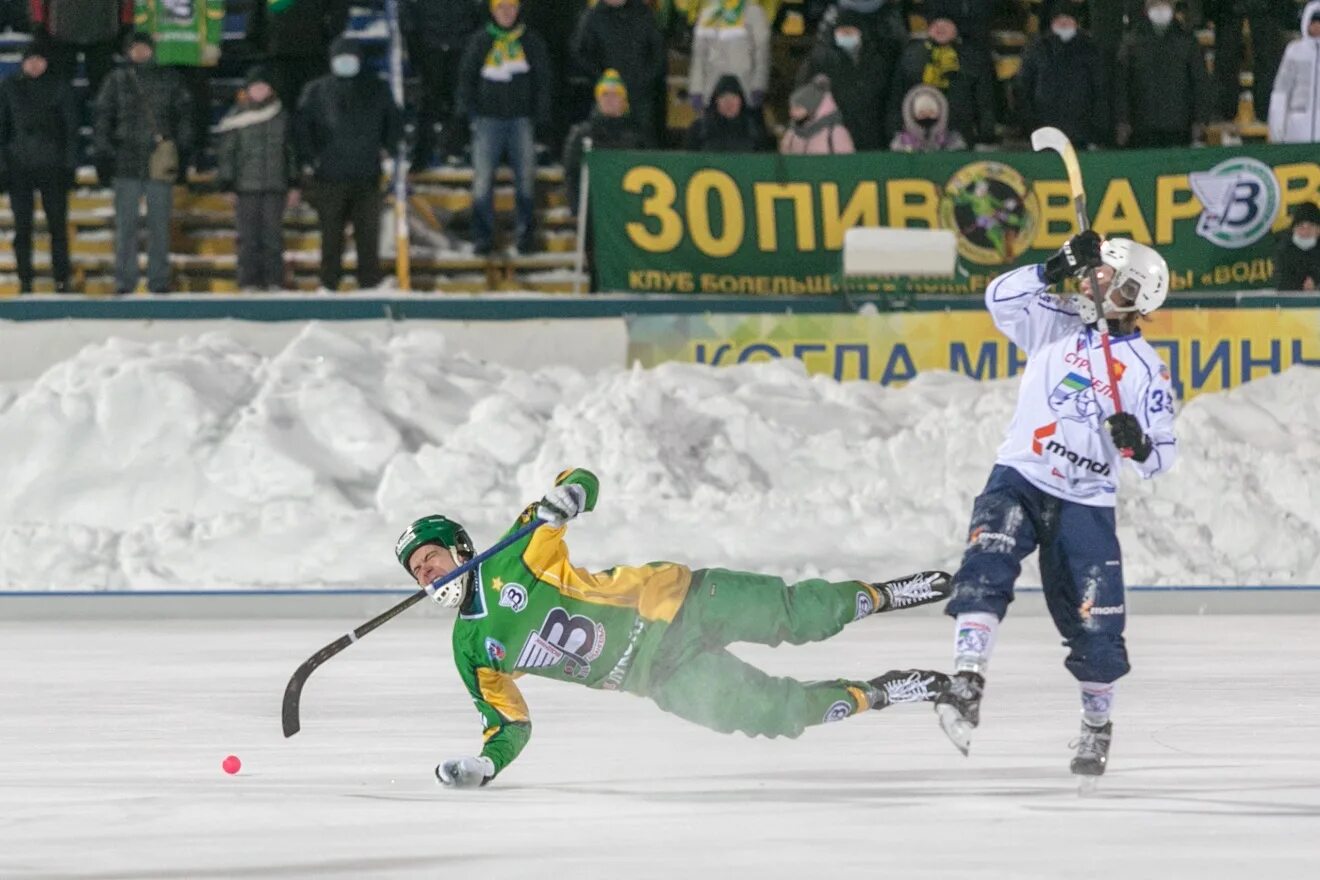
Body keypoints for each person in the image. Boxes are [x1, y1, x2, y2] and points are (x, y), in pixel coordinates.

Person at [395, 467, 955, 788]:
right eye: (419, 573)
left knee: (795, 614)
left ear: (460, 548)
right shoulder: (471, 649)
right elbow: (509, 724)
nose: (429, 575)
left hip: (679, 602)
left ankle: (885, 595)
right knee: (776, 714)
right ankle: (881, 692)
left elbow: (580, 478)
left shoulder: (512, 554)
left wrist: (566, 499)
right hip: (661, 675)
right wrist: (486, 764)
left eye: (433, 560)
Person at [934, 230, 1178, 780]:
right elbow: (998, 299)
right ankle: (967, 679)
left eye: (1108, 277)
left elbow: (1163, 455)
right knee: (984, 567)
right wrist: (1053, 267)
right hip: (1021, 476)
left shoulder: (1145, 369)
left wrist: (1137, 442)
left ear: (1134, 294)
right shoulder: (1057, 317)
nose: (1094, 280)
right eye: (1096, 271)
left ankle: (1097, 726)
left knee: (1094, 623)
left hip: (1085, 502)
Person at [294, 35, 403, 291]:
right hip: (330, 176)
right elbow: (302, 128)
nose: (346, 63)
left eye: (350, 58)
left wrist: (389, 149)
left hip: (366, 174)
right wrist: (311, 158)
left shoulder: (377, 88)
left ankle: (369, 282)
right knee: (331, 235)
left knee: (368, 235)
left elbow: (393, 122)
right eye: (340, 58)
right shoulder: (316, 90)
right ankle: (329, 282)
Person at [93, 31, 193, 295]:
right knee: (126, 226)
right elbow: (103, 116)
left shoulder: (171, 78)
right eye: (134, 48)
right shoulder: (115, 80)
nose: (140, 52)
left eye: (144, 47)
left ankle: (158, 280)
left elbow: (183, 116)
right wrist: (104, 151)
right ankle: (124, 280)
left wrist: (181, 150)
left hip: (158, 161)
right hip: (125, 161)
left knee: (159, 225)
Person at [455, 0, 551, 257]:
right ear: (492, 11)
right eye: (501, 8)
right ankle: (482, 237)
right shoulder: (480, 40)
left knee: (526, 182)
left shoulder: (531, 41)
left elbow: (543, 78)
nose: (507, 13)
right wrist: (471, 113)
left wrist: (539, 115)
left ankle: (525, 237)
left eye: (511, 8)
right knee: (483, 182)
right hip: (488, 121)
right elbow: (466, 77)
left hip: (521, 120)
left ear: (519, 10)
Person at [0, 36, 79, 293]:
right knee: (23, 227)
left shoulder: (60, 87)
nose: (34, 65)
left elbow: (71, 129)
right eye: (30, 60)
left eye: (38, 60)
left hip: (53, 166)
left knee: (57, 225)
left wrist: (69, 165)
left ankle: (61, 277)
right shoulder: (9, 87)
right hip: (18, 167)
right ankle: (25, 279)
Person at [216, 66, 298, 291]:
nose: (260, 90)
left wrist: (293, 183)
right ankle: (249, 281)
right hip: (245, 187)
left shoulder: (281, 116)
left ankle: (274, 280)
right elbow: (227, 154)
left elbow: (289, 153)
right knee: (248, 238)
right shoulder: (236, 117)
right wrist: (227, 184)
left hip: (275, 186)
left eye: (264, 86)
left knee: (273, 236)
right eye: (255, 86)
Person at [133, 0, 225, 173]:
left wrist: (212, 41)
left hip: (196, 57)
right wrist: (143, 42)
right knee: (163, 113)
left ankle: (197, 156)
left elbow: (215, 9)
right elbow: (141, 10)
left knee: (197, 109)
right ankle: (166, 162)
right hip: (161, 56)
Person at [1115, 0, 1212, 147]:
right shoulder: (1132, 42)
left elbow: (1200, 83)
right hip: (1142, 129)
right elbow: (1121, 85)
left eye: (1164, 4)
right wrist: (1122, 120)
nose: (1160, 9)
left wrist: (1200, 120)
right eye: (1155, 5)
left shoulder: (1188, 41)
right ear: (1146, 9)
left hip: (1179, 128)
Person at [794, 8, 894, 151]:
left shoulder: (877, 59)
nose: (845, 36)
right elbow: (804, 97)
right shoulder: (820, 60)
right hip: (831, 139)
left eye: (849, 32)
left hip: (872, 137)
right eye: (841, 31)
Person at [570, 0, 666, 147]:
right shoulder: (593, 16)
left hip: (639, 95)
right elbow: (580, 52)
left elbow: (658, 52)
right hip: (607, 94)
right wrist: (602, 77)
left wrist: (644, 79)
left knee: (644, 143)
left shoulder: (643, 14)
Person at [891, 15, 996, 146]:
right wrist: (893, 131)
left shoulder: (973, 57)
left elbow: (984, 99)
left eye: (946, 23)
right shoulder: (911, 55)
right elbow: (897, 96)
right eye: (935, 23)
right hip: (915, 138)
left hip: (960, 135)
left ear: (956, 28)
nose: (940, 28)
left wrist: (986, 133)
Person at [1015, 0, 1107, 149]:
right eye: (1059, 19)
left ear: (1076, 22)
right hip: (1044, 131)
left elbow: (1100, 89)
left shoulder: (1090, 50)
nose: (1064, 23)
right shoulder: (1037, 49)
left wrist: (1097, 127)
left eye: (1068, 18)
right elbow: (1024, 88)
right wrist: (1030, 125)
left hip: (1081, 133)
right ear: (1052, 22)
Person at [401, 0, 482, 167]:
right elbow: (407, 11)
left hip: (461, 45)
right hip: (429, 46)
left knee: (459, 100)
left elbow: (479, 11)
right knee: (429, 101)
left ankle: (456, 149)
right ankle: (422, 154)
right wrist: (415, 45)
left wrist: (473, 40)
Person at [563, 69, 648, 213]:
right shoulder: (582, 134)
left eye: (615, 94)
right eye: (604, 94)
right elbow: (572, 173)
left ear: (624, 100)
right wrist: (577, 208)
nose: (609, 99)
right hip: (593, 212)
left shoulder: (637, 135)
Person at [246, 0, 350, 108]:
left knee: (289, 111)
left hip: (287, 56)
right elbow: (338, 19)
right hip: (308, 55)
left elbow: (254, 26)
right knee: (314, 110)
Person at [28, 0, 132, 105]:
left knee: (104, 93)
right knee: (59, 93)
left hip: (103, 35)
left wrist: (125, 27)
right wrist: (39, 26)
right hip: (62, 35)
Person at [687, 0, 771, 117]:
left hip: (746, 89)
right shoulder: (708, 13)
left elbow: (761, 54)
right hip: (712, 89)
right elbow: (699, 55)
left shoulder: (754, 12)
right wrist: (696, 90)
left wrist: (758, 86)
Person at [1212, 0, 1289, 124]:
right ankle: (1226, 112)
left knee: (1266, 60)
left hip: (1264, 10)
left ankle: (1265, 112)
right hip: (1229, 11)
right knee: (1227, 60)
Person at [1267, 1, 1320, 143]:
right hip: (1297, 130)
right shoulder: (1294, 51)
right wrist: (1277, 128)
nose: (1317, 26)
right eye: (1314, 21)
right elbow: (1281, 90)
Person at [683, 73, 771, 152]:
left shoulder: (755, 130)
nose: (729, 102)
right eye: (723, 97)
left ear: (741, 101)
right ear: (716, 101)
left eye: (734, 97)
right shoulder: (699, 129)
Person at [779, 73, 854, 154]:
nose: (792, 113)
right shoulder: (792, 134)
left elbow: (848, 164)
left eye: (798, 108)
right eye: (791, 108)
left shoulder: (835, 133)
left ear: (811, 109)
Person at [889, 84, 967, 152]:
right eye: (921, 113)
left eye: (931, 112)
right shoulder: (900, 143)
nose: (927, 117)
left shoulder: (953, 141)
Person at [1273, 201, 1320, 291]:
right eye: (1301, 227)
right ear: (1293, 229)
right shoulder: (1284, 251)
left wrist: (1316, 281)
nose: (1305, 232)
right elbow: (1282, 281)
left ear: (1318, 230)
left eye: (1310, 227)